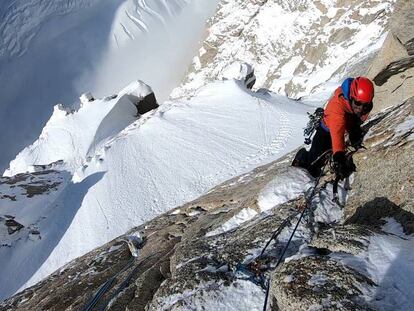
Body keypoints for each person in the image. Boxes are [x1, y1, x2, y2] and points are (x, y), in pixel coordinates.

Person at [292, 76, 374, 178]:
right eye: (358, 103)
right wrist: (339, 157)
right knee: (313, 165)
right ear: (351, 97)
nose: (360, 109)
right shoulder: (337, 106)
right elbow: (337, 131)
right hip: (326, 131)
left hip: (344, 126)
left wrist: (353, 129)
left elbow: (355, 118)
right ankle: (302, 157)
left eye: (365, 105)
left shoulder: (362, 104)